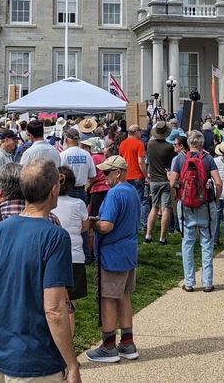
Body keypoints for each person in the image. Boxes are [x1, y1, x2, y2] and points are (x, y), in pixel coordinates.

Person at [0, 158, 81, 383]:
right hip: (37, 363)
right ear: (54, 189)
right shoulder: (54, 236)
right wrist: (72, 364)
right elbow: (54, 309)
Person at [86, 155, 140, 363]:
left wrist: (93, 224)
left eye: (107, 172)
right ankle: (127, 342)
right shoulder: (132, 191)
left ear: (118, 173)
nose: (104, 176)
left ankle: (108, 346)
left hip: (112, 253)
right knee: (124, 296)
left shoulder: (114, 193)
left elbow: (107, 225)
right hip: (128, 250)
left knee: (107, 298)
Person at [168, 130, 221, 292]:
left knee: (187, 243)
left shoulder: (179, 159)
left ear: (188, 143)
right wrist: (216, 200)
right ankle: (207, 282)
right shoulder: (208, 159)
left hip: (185, 205)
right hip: (206, 204)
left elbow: (172, 183)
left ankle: (189, 282)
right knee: (207, 242)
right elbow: (218, 183)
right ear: (202, 143)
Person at [53, 165, 89, 335]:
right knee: (70, 306)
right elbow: (85, 227)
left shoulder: (48, 205)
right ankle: (69, 346)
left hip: (53, 259)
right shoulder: (78, 204)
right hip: (75, 257)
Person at [144, 121, 176, 245]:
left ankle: (148, 235)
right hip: (165, 180)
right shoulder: (169, 147)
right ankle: (162, 237)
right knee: (166, 209)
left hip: (154, 180)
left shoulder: (150, 145)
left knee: (154, 207)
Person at [118, 124, 147, 225]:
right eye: (140, 130)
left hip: (126, 176)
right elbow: (141, 162)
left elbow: (120, 160)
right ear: (136, 132)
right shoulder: (139, 144)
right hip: (137, 176)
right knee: (142, 201)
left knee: (128, 200)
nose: (141, 133)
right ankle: (142, 224)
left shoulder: (122, 144)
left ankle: (129, 222)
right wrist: (146, 175)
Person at [59, 127, 96, 203]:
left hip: (67, 191)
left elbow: (59, 174)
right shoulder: (86, 155)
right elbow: (93, 175)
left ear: (67, 139)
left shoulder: (63, 155)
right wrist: (87, 186)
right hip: (82, 191)